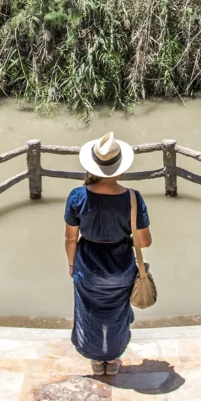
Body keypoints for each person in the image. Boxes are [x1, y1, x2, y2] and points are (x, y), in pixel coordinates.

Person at [64, 131, 152, 376]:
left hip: (87, 265)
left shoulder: (77, 196)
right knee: (117, 313)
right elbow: (144, 242)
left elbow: (71, 238)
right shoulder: (133, 198)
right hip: (122, 265)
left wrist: (72, 264)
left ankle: (95, 359)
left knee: (88, 312)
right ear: (120, 167)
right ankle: (112, 360)